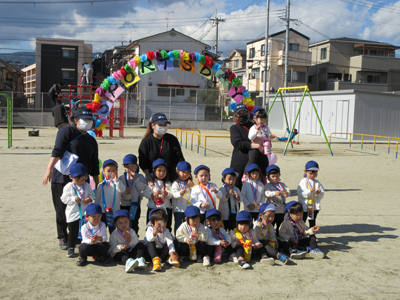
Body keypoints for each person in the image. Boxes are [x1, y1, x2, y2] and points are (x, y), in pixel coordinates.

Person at [42, 106, 99, 251]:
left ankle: (78, 236)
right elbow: (58, 150)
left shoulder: (91, 140)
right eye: (84, 119)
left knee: (81, 209)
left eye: (90, 120)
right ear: (75, 120)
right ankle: (62, 236)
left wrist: (96, 183)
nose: (87, 122)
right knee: (62, 209)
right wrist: (49, 170)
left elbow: (93, 163)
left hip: (82, 181)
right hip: (62, 178)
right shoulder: (66, 131)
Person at [229, 104, 269, 190]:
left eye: (244, 112)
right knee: (237, 189)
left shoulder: (255, 126)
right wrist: (256, 146)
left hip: (257, 162)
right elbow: (237, 143)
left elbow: (264, 137)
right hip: (239, 162)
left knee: (256, 190)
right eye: (239, 113)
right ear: (236, 116)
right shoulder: (234, 128)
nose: (242, 115)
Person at [60, 163, 94, 258]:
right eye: (77, 179)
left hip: (85, 213)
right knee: (73, 231)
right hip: (73, 214)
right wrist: (73, 199)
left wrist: (90, 199)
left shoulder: (86, 185)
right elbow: (63, 199)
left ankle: (83, 247)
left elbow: (92, 194)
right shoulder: (68, 187)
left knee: (85, 230)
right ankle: (70, 247)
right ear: (71, 177)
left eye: (83, 179)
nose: (81, 181)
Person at [138, 113, 184, 183]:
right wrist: (148, 174)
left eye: (164, 125)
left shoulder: (172, 139)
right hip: (152, 177)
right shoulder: (146, 141)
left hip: (170, 177)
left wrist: (181, 173)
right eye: (160, 125)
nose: (163, 127)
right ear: (153, 125)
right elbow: (143, 161)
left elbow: (179, 158)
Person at [95, 159, 126, 234]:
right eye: (108, 171)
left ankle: (115, 243)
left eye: (113, 171)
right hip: (103, 211)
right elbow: (97, 198)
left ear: (117, 171)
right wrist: (97, 210)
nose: (111, 173)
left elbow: (122, 190)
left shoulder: (118, 183)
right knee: (102, 229)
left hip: (115, 211)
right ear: (104, 172)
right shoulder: (101, 185)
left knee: (114, 230)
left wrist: (117, 180)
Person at [144, 207, 180, 271]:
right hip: (153, 252)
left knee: (174, 241)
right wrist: (154, 232)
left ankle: (171, 257)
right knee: (150, 243)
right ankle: (156, 260)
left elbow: (170, 242)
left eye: (164, 223)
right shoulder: (150, 229)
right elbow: (149, 239)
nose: (162, 225)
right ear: (152, 223)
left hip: (163, 252)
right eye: (159, 224)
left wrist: (172, 253)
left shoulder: (166, 231)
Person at [142, 158, 173, 231]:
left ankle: (165, 240)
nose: (161, 173)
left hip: (165, 208)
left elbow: (172, 194)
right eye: (159, 170)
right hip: (153, 207)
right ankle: (150, 240)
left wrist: (167, 193)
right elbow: (145, 193)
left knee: (166, 226)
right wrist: (152, 194)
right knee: (151, 225)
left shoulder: (167, 183)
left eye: (164, 171)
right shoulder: (150, 182)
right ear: (154, 171)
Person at [119, 154, 146, 235]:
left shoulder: (140, 177)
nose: (130, 169)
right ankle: (125, 237)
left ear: (136, 166)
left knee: (134, 223)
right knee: (124, 223)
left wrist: (136, 179)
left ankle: (135, 237)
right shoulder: (122, 178)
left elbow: (142, 188)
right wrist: (124, 190)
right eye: (127, 167)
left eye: (132, 166)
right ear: (124, 167)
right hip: (124, 204)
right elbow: (119, 190)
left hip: (135, 204)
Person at [297, 160, 325, 227]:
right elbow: (301, 193)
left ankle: (312, 234)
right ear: (305, 171)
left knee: (312, 221)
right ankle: (301, 233)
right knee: (302, 220)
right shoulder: (303, 182)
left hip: (313, 206)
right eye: (310, 173)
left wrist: (319, 192)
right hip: (305, 205)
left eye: (315, 173)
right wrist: (309, 191)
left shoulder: (317, 182)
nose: (312, 175)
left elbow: (321, 194)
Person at [264, 164, 290, 236]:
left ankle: (279, 236)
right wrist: (274, 193)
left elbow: (289, 191)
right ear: (268, 177)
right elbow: (267, 193)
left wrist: (286, 193)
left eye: (277, 176)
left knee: (280, 223)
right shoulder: (268, 185)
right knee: (271, 224)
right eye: (273, 177)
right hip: (272, 209)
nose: (275, 178)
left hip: (281, 209)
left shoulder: (282, 184)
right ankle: (269, 236)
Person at [171, 161, 195, 235]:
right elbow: (173, 194)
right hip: (178, 209)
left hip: (188, 209)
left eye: (188, 173)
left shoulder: (189, 183)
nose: (185, 174)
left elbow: (195, 193)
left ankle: (187, 239)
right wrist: (179, 193)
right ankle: (177, 239)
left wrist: (193, 186)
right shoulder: (175, 183)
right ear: (177, 172)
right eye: (183, 172)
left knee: (188, 225)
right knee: (178, 225)